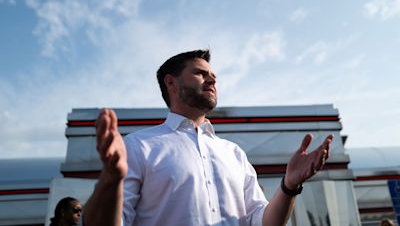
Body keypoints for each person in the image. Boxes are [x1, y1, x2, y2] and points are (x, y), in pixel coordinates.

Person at [83, 49, 334, 226]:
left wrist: (289, 186)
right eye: (200, 73)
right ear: (171, 83)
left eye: (213, 75)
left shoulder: (233, 153)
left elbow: (263, 222)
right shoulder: (138, 147)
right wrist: (110, 180)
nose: (212, 78)